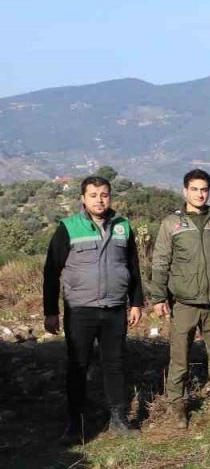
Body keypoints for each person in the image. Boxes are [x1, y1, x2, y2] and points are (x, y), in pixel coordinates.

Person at [43, 175, 143, 441]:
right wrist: (50, 310)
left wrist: (137, 302)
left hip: (114, 309)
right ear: (83, 199)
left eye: (104, 194)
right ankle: (76, 424)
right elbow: (51, 270)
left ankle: (119, 419)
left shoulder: (123, 226)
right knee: (78, 366)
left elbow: (132, 267)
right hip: (80, 311)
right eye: (93, 195)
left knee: (115, 365)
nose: (99, 200)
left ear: (110, 196)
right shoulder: (68, 227)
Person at [149, 169, 210, 429]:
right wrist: (159, 296)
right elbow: (161, 261)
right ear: (185, 191)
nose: (199, 193)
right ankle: (176, 405)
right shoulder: (171, 224)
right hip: (184, 302)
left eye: (204, 189)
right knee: (180, 356)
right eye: (194, 189)